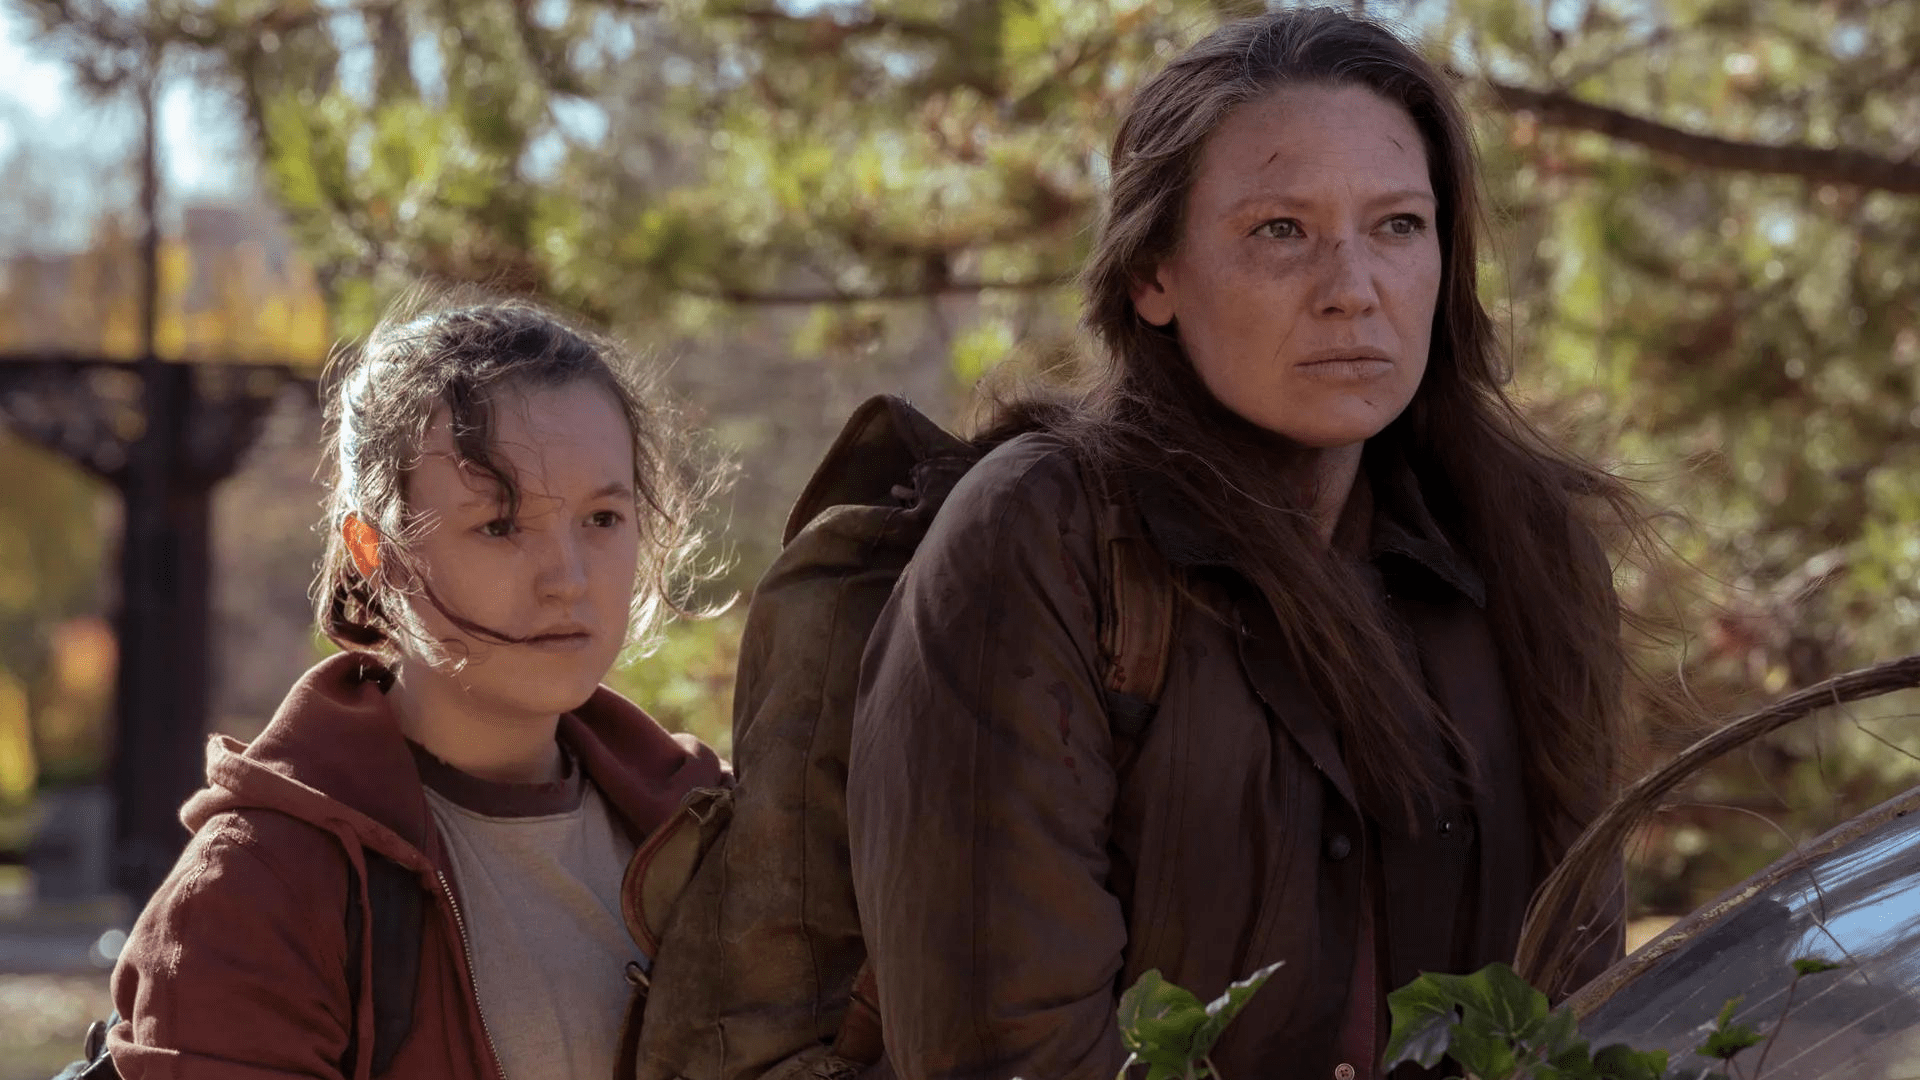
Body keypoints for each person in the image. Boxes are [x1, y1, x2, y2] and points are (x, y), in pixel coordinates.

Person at [846, 9, 1639, 1080]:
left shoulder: (1526, 559)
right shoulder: (1042, 537)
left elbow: (1577, 1014)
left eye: (1398, 225)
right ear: (1152, 275)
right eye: (1281, 231)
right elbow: (1006, 1050)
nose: (1353, 287)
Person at [103, 293, 729, 1079]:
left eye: (602, 518)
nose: (568, 579)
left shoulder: (713, 833)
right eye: (499, 524)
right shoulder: (260, 891)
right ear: (375, 551)